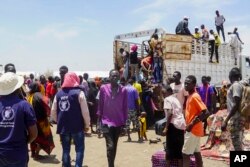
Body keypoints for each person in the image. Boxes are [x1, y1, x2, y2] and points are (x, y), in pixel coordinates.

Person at [51, 72, 90, 167]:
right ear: (75, 80)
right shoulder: (79, 93)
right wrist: (87, 125)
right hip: (77, 126)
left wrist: (58, 121)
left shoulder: (58, 94)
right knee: (79, 149)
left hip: (63, 127)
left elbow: (53, 111)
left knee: (65, 149)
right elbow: (85, 112)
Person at [0, 72, 38, 167]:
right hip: (19, 154)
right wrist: (25, 142)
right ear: (18, 88)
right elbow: (34, 133)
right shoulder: (24, 105)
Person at [97, 69, 128, 167]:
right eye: (113, 76)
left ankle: (111, 164)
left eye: (116, 76)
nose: (115, 77)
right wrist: (98, 123)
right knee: (110, 146)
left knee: (114, 146)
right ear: (109, 77)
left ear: (119, 77)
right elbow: (100, 105)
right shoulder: (103, 88)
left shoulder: (123, 90)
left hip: (118, 122)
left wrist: (125, 124)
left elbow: (125, 107)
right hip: (106, 122)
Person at [182, 75, 210, 167]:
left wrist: (191, 124)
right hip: (195, 130)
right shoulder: (190, 96)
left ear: (194, 84)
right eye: (185, 83)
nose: (185, 85)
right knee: (197, 153)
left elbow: (206, 112)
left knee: (185, 154)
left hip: (193, 130)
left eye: (188, 83)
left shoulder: (194, 96)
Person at [27, 82, 55, 159]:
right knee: (44, 138)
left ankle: (33, 153)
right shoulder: (38, 95)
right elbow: (47, 101)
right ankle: (36, 154)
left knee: (33, 138)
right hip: (41, 122)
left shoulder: (30, 96)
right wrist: (48, 114)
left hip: (32, 121)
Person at [162, 85, 186, 167]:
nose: (162, 94)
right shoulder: (176, 99)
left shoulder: (167, 99)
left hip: (173, 125)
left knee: (169, 148)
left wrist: (166, 127)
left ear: (168, 91)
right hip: (180, 124)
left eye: (163, 92)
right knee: (179, 149)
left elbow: (170, 113)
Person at [221, 67, 244, 150]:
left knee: (237, 144)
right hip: (237, 118)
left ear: (230, 76)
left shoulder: (236, 85)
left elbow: (236, 104)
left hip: (236, 119)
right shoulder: (238, 85)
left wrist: (226, 120)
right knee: (238, 143)